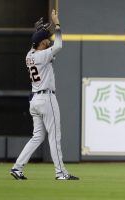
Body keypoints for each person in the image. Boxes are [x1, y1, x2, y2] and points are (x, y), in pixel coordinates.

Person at [10, 10, 79, 180]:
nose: (49, 40)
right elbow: (59, 45)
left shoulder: (30, 55)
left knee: (37, 136)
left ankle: (17, 167)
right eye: (46, 39)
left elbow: (39, 42)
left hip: (35, 101)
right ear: (41, 43)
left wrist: (39, 31)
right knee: (55, 137)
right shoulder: (42, 55)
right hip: (46, 99)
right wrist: (57, 25)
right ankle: (61, 173)